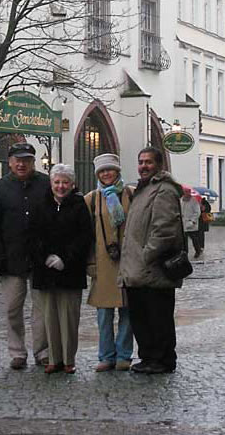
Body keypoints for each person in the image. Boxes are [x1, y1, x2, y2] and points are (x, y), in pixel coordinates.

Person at [119, 146, 185, 375]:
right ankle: (149, 358)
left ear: (159, 164)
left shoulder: (163, 190)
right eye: (141, 162)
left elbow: (164, 230)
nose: (143, 166)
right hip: (138, 269)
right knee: (142, 318)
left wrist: (146, 255)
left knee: (158, 318)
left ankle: (162, 360)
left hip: (153, 269)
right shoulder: (144, 188)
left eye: (148, 162)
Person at [0, 142, 50, 369]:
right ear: (10, 163)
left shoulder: (46, 184)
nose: (21, 164)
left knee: (42, 309)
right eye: (17, 160)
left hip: (40, 257)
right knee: (12, 308)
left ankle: (42, 351)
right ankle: (17, 352)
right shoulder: (0, 188)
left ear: (33, 162)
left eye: (26, 160)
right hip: (11, 256)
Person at [31, 164, 93, 374]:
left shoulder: (79, 205)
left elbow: (84, 237)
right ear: (51, 184)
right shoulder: (41, 204)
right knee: (49, 317)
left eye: (65, 182)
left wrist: (65, 258)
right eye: (57, 182)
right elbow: (33, 234)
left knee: (68, 318)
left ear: (72, 184)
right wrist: (45, 257)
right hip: (45, 270)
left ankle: (68, 359)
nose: (61, 186)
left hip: (70, 270)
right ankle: (53, 358)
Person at [84, 153, 135, 372]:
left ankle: (124, 355)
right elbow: (86, 234)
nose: (106, 174)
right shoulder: (92, 199)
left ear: (117, 171)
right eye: (102, 171)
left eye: (110, 169)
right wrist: (90, 263)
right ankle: (106, 356)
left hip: (128, 262)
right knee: (104, 314)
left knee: (128, 311)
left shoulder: (131, 194)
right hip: (103, 263)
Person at [181, 190, 202, 259]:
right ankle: (185, 252)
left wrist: (193, 221)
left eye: (187, 192)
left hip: (191, 223)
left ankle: (198, 251)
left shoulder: (194, 201)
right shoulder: (181, 200)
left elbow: (197, 212)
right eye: (184, 192)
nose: (185, 194)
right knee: (184, 240)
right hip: (183, 223)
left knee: (194, 238)